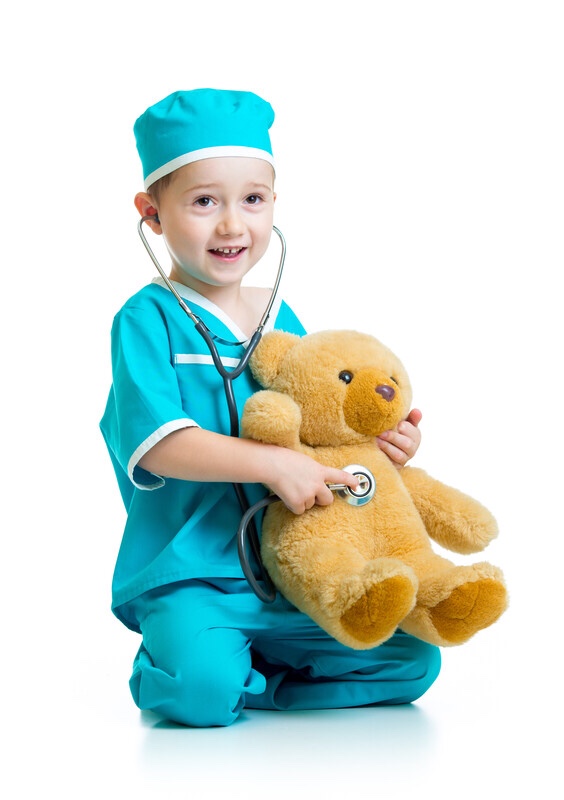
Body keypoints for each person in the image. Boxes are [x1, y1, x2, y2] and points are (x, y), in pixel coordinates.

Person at [100, 88, 441, 728]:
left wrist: (384, 447)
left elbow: (324, 425)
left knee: (410, 661)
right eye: (204, 202)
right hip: (195, 573)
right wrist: (272, 464)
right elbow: (159, 441)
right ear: (152, 212)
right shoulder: (145, 320)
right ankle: (194, 663)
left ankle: (254, 679)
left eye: (252, 200)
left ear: (274, 205)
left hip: (289, 565)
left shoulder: (279, 317)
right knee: (198, 696)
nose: (232, 225)